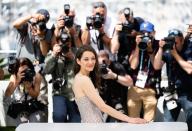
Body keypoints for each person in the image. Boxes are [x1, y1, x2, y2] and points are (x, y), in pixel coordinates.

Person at [72, 45, 147, 123]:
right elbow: (102, 106)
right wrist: (130, 119)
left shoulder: (80, 77)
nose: (90, 62)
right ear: (78, 61)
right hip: (93, 126)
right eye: (86, 59)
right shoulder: (84, 80)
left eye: (93, 58)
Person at [154, 28, 192, 131]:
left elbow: (189, 70)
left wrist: (175, 53)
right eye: (171, 42)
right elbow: (157, 66)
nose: (173, 45)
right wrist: (161, 49)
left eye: (176, 42)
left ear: (182, 40)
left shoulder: (189, 48)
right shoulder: (168, 49)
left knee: (190, 122)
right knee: (167, 125)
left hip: (188, 93)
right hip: (172, 93)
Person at [43, 29, 80, 122]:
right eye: (62, 43)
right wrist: (54, 55)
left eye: (67, 43)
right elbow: (46, 70)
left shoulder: (77, 53)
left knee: (76, 122)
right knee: (59, 116)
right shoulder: (53, 54)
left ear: (71, 43)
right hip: (59, 92)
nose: (65, 46)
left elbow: (86, 69)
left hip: (75, 93)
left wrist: (73, 58)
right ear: (58, 43)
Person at [127, 21, 160, 121]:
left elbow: (157, 66)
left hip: (150, 87)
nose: (146, 35)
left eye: (148, 33)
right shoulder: (134, 43)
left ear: (154, 33)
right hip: (135, 87)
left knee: (149, 123)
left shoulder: (158, 45)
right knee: (133, 121)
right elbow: (133, 65)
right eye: (143, 33)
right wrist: (138, 46)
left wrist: (150, 50)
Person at [4, 57, 47, 126]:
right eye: (22, 72)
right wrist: (16, 82)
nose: (25, 74)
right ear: (17, 70)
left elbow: (35, 94)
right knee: (16, 123)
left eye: (27, 70)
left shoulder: (36, 76)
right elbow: (7, 93)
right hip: (18, 105)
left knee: (36, 121)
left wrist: (29, 88)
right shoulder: (14, 76)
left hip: (32, 105)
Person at [98, 50, 133, 122]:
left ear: (108, 60)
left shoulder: (116, 66)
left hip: (117, 99)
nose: (103, 65)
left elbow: (130, 82)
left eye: (104, 61)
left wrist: (114, 76)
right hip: (103, 101)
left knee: (122, 120)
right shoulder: (95, 69)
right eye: (100, 63)